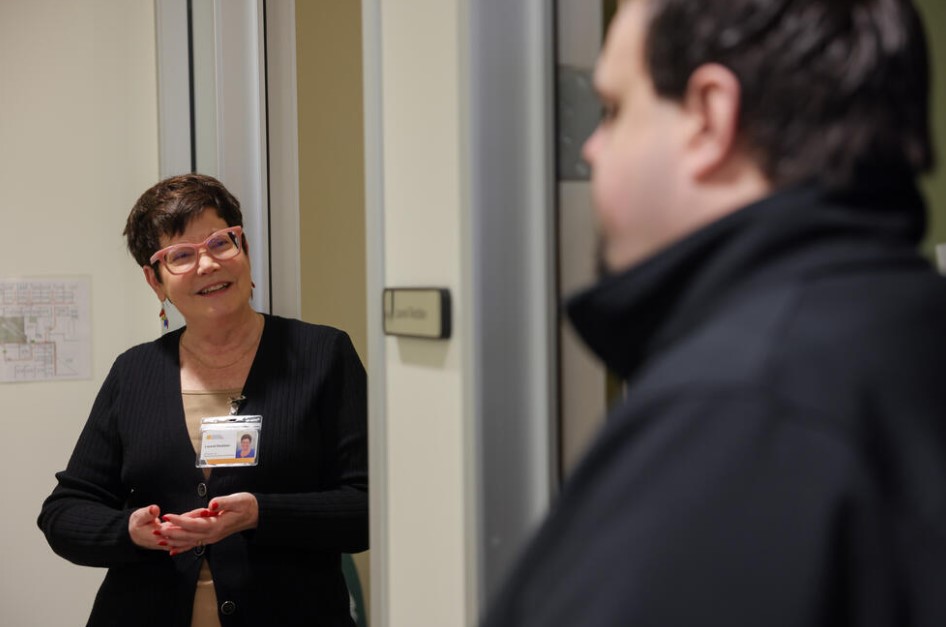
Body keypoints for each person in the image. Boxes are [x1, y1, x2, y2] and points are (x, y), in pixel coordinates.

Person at [483, 0, 946, 625]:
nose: (591, 148)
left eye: (614, 110)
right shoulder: (901, 324)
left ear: (709, 116)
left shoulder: (742, 411)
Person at [38, 173, 368, 626]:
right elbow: (64, 512)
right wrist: (128, 530)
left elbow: (369, 507)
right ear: (156, 282)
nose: (207, 265)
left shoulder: (323, 354)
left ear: (244, 249)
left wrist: (259, 513)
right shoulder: (134, 372)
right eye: (180, 255)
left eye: (219, 242)